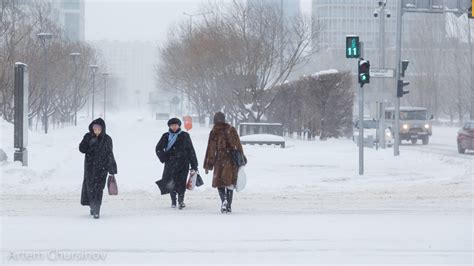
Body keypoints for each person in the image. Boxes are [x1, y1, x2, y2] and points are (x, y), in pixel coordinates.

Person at [204, 112, 246, 213]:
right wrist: (242, 160)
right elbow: (238, 146)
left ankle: (224, 201)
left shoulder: (214, 131)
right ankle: (229, 206)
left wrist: (208, 165)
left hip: (219, 160)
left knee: (220, 183)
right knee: (230, 183)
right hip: (232, 161)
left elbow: (211, 149)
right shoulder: (231, 129)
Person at [156, 118, 198, 209]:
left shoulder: (185, 136)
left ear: (179, 126)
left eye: (176, 125)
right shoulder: (166, 136)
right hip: (170, 164)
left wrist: (194, 164)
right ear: (169, 126)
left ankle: (181, 201)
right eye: (172, 125)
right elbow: (158, 148)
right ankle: (173, 201)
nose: (174, 127)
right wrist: (164, 158)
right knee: (171, 182)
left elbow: (191, 150)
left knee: (181, 182)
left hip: (183, 164)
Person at [79, 118, 117, 219]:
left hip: (102, 169)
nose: (96, 131)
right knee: (90, 189)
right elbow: (81, 149)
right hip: (90, 168)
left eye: (98, 129)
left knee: (98, 189)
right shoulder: (88, 137)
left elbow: (110, 154)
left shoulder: (107, 139)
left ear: (102, 129)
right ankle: (92, 206)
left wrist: (112, 169)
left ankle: (96, 210)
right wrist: (87, 140)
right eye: (94, 129)